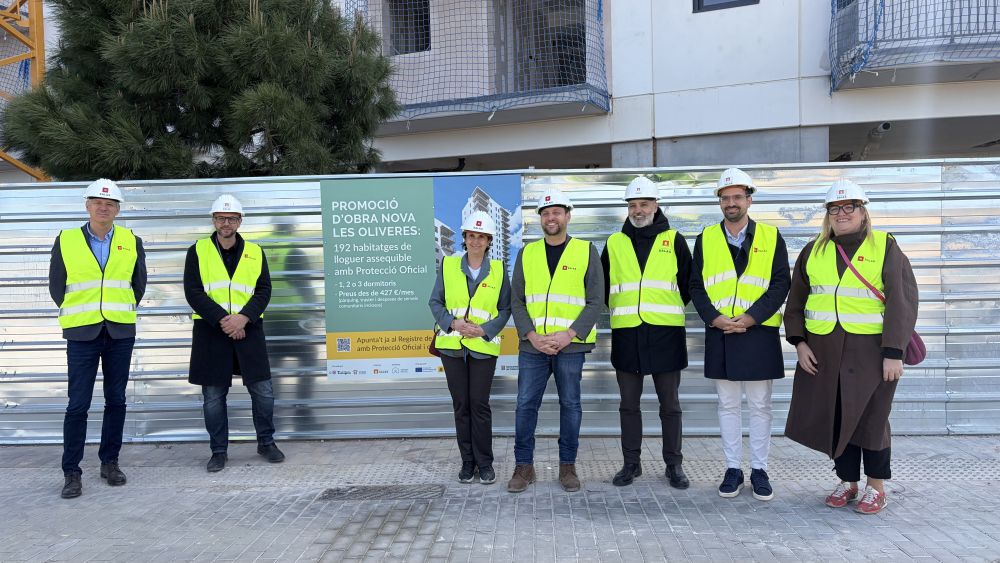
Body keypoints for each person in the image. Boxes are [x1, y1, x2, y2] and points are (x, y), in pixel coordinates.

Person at [784, 179, 918, 515]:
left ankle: (876, 486)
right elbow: (796, 302)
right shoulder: (812, 251)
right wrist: (799, 343)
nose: (841, 214)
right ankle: (847, 481)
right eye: (835, 208)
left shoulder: (885, 246)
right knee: (837, 414)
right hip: (825, 349)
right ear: (827, 214)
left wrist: (894, 352)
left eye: (849, 207)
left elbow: (902, 302)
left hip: (873, 351)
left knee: (873, 418)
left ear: (862, 211)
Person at [690, 167, 790, 501]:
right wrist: (715, 319)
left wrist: (751, 318)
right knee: (727, 405)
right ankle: (733, 469)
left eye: (737, 197)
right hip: (721, 332)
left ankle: (759, 469)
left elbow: (781, 283)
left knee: (760, 405)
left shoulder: (772, 236)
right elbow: (695, 285)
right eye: (725, 198)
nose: (731, 203)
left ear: (749, 199)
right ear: (719, 201)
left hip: (757, 332)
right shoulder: (705, 238)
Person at [49, 178, 147, 499]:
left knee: (116, 400)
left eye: (110, 204)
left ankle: (110, 462)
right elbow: (57, 286)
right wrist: (81, 311)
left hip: (119, 331)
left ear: (117, 210)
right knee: (78, 404)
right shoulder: (66, 240)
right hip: (82, 333)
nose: (103, 208)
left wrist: (117, 309)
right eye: (98, 202)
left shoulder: (131, 241)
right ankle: (71, 472)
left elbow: (138, 284)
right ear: (87, 205)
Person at [508, 188, 604, 493]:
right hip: (533, 347)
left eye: (557, 212)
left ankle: (567, 466)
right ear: (540, 218)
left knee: (570, 405)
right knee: (525, 405)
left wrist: (569, 334)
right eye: (546, 213)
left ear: (568, 216)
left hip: (571, 346)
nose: (551, 218)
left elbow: (596, 300)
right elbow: (517, 300)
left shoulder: (586, 251)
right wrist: (532, 336)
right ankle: (524, 467)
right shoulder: (528, 253)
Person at [601, 176, 692, 489]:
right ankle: (631, 464)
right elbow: (603, 285)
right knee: (629, 405)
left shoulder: (674, 240)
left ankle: (674, 465)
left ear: (656, 205)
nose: (638, 210)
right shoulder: (614, 243)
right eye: (632, 205)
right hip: (627, 334)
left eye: (643, 204)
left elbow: (688, 284)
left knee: (670, 405)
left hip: (666, 334)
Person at [184, 194, 284, 472]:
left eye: (231, 218)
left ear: (240, 221)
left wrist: (243, 319)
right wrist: (224, 321)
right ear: (213, 220)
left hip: (248, 330)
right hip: (211, 332)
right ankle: (218, 451)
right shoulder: (198, 250)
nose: (225, 223)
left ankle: (266, 442)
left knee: (263, 392)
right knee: (213, 397)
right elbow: (193, 291)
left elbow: (264, 290)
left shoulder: (255, 251)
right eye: (220, 218)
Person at [428, 210, 512, 485]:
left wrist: (484, 330)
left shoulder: (498, 270)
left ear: (489, 241)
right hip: (452, 346)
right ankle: (467, 462)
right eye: (471, 236)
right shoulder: (449, 265)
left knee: (479, 405)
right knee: (461, 405)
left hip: (482, 347)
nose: (476, 241)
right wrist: (452, 323)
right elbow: (435, 302)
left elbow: (505, 309)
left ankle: (485, 464)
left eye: (481, 237)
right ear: (464, 238)